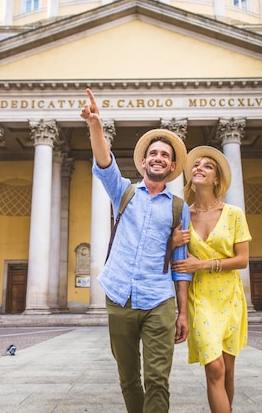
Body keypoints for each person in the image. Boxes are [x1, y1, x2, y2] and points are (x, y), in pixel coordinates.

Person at [80, 88, 192, 413]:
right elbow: (104, 162)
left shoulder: (178, 209)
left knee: (158, 379)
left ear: (171, 166)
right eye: (153, 154)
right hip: (119, 297)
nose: (158, 158)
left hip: (159, 300)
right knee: (129, 379)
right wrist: (95, 126)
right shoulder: (124, 193)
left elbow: (180, 264)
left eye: (165, 156)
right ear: (143, 161)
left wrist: (183, 312)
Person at [171, 146, 251, 413]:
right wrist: (172, 243)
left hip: (230, 297)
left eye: (207, 166)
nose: (199, 168)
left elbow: (242, 260)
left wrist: (203, 263)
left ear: (217, 179)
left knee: (227, 370)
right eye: (196, 165)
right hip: (200, 297)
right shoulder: (183, 215)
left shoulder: (233, 213)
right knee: (214, 368)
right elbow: (177, 261)